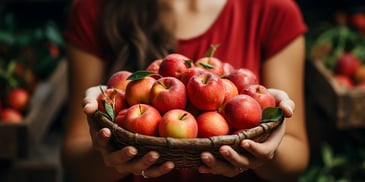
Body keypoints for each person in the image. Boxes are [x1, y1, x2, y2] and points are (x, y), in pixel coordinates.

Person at [61, 0, 309, 181]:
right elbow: (75, 160)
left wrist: (264, 146)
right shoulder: (93, 10)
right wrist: (112, 153)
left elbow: (296, 156)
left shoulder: (274, 11)